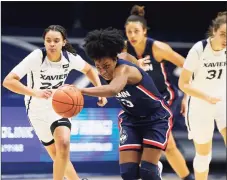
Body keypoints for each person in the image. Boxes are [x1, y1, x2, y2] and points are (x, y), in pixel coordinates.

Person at [2, 25, 107, 180]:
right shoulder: (36, 57)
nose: (52, 44)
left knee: (63, 145)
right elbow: (8, 81)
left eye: (56, 40)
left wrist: (100, 90)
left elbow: (89, 70)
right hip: (36, 110)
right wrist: (35, 93)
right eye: (48, 40)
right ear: (44, 42)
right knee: (57, 155)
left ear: (63, 42)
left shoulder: (70, 57)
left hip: (59, 106)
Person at [79, 27, 173, 180]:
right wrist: (139, 64)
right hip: (131, 119)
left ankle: (155, 169)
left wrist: (81, 91)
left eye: (107, 66)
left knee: (147, 173)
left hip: (155, 118)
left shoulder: (124, 70)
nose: (103, 71)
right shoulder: (122, 56)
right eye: (98, 67)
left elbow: (113, 89)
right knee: (128, 173)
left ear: (115, 59)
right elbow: (128, 56)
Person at [118, 5, 194, 180]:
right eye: (129, 32)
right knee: (157, 144)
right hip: (140, 101)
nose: (132, 35)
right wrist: (134, 66)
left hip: (164, 98)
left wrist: (187, 96)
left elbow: (188, 67)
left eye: (136, 31)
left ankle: (175, 174)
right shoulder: (123, 50)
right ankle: (154, 169)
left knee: (168, 145)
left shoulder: (158, 48)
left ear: (144, 31)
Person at [179, 11, 226, 180]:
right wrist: (206, 97)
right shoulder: (199, 49)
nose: (225, 39)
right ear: (214, 31)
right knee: (204, 155)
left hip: (222, 102)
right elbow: (182, 84)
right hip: (200, 104)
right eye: (223, 34)